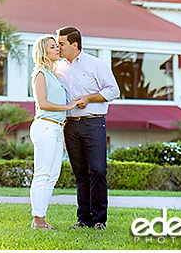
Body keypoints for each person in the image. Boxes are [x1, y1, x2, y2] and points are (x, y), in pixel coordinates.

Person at [55, 26, 120, 231]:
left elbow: (113, 90)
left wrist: (89, 98)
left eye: (61, 44)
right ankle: (83, 219)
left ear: (74, 45)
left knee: (98, 171)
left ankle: (99, 220)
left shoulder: (95, 64)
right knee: (80, 173)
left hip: (93, 122)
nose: (58, 47)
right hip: (70, 125)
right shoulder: (57, 68)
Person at [29, 34, 80, 230]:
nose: (57, 49)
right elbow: (43, 103)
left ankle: (41, 217)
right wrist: (68, 107)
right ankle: (37, 220)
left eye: (57, 46)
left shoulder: (53, 74)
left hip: (57, 129)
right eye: (53, 47)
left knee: (52, 175)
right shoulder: (40, 73)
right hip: (45, 126)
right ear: (44, 52)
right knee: (42, 174)